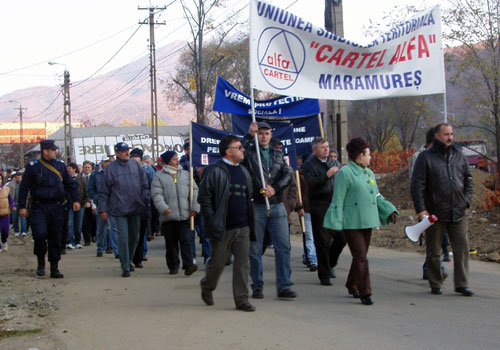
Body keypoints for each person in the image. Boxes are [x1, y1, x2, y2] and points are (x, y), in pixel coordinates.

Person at [324, 137, 398, 305]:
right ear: (359, 155)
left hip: (368, 220)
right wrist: (334, 223)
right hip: (351, 222)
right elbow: (338, 200)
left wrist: (389, 209)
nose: (370, 157)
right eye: (368, 154)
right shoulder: (345, 173)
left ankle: (352, 284)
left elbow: (377, 196)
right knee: (361, 256)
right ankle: (366, 292)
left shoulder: (369, 173)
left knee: (360, 256)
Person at [410, 123, 474, 296]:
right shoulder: (425, 158)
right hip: (434, 213)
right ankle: (436, 283)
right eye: (446, 134)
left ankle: (462, 283)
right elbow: (417, 185)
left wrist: (466, 201)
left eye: (451, 134)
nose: (450, 137)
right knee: (434, 251)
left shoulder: (459, 156)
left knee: (461, 248)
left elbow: (468, 180)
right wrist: (421, 209)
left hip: (458, 211)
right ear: (437, 136)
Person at [198, 135, 256, 311]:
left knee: (242, 264)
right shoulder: (214, 170)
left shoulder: (244, 171)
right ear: (228, 151)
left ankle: (242, 299)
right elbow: (204, 197)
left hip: (243, 225)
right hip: (223, 227)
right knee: (218, 262)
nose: (242, 149)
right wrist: (212, 220)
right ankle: (207, 287)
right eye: (239, 147)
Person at [242, 121, 296, 299]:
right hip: (257, 205)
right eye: (260, 133)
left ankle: (284, 286)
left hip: (277, 204)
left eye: (266, 133)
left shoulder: (278, 154)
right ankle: (257, 285)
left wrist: (275, 187)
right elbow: (236, 153)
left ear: (271, 135)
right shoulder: (249, 152)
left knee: (283, 246)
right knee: (255, 248)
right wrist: (249, 135)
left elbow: (287, 174)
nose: (263, 136)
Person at [18, 139, 80, 278]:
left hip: (57, 206)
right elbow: (24, 188)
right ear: (45, 151)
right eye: (53, 150)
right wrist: (22, 206)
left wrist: (76, 199)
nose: (55, 152)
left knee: (55, 237)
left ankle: (54, 267)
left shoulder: (60, 166)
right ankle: (41, 263)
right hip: (39, 206)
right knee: (39, 234)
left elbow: (70, 184)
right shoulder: (33, 167)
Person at [98, 142, 150, 277]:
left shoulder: (135, 165)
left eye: (127, 150)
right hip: (118, 209)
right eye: (123, 151)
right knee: (123, 237)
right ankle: (125, 265)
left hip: (135, 207)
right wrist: (102, 209)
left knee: (135, 237)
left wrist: (145, 197)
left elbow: (144, 184)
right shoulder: (111, 169)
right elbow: (104, 192)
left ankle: (129, 258)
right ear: (116, 153)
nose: (126, 153)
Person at [302, 137, 346, 286]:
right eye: (322, 147)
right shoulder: (309, 165)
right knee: (322, 241)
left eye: (327, 146)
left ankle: (331, 262)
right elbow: (312, 184)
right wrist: (326, 175)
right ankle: (324, 274)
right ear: (315, 150)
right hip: (318, 204)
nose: (326, 149)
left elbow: (342, 181)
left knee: (342, 237)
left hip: (335, 203)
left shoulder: (334, 163)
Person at [409, 128, 450, 279]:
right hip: (427, 205)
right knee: (432, 239)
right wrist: (420, 207)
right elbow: (415, 183)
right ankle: (433, 268)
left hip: (441, 204)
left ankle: (432, 267)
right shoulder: (418, 157)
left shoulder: (442, 156)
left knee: (437, 238)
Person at [151, 150, 199, 276]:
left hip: (185, 215)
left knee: (186, 240)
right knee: (171, 243)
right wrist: (163, 208)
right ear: (167, 161)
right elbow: (156, 195)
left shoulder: (185, 174)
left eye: (177, 158)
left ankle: (188, 265)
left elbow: (194, 191)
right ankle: (173, 265)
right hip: (168, 216)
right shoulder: (159, 177)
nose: (177, 161)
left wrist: (195, 207)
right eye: (174, 159)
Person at [87, 155, 118, 258]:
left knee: (113, 228)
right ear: (102, 162)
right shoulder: (96, 174)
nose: (109, 163)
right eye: (107, 161)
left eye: (111, 161)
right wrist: (97, 199)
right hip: (101, 204)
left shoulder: (116, 172)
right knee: (101, 228)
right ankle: (100, 248)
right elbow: (90, 190)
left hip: (114, 204)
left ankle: (115, 249)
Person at [130, 148, 155, 268]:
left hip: (143, 210)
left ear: (141, 163)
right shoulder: (125, 176)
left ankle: (138, 258)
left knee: (140, 236)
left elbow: (152, 190)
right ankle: (128, 258)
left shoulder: (146, 175)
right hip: (128, 211)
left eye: (137, 162)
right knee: (130, 236)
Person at [66, 163, 87, 249]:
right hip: (69, 204)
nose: (68, 170)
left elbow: (86, 191)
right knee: (69, 224)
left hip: (80, 204)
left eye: (70, 168)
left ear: (74, 169)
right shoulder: (65, 179)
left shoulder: (81, 179)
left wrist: (87, 201)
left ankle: (77, 241)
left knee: (78, 224)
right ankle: (70, 241)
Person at [8, 170, 28, 237]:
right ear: (15, 178)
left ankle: (23, 231)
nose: (19, 179)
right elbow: (9, 194)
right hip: (14, 203)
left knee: (23, 218)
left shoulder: (25, 184)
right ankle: (16, 230)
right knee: (15, 218)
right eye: (17, 178)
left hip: (23, 203)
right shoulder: (11, 184)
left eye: (20, 178)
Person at [80, 160, 95, 245]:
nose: (87, 169)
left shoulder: (93, 177)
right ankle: (87, 240)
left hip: (93, 201)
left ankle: (93, 235)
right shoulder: (79, 177)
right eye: (85, 167)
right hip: (83, 202)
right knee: (84, 222)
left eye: (88, 167)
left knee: (93, 220)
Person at [0, 173, 15, 252]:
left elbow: (10, 199)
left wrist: (12, 206)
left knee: (5, 231)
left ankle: (4, 241)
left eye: (0, 179)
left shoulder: (6, 189)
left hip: (5, 213)